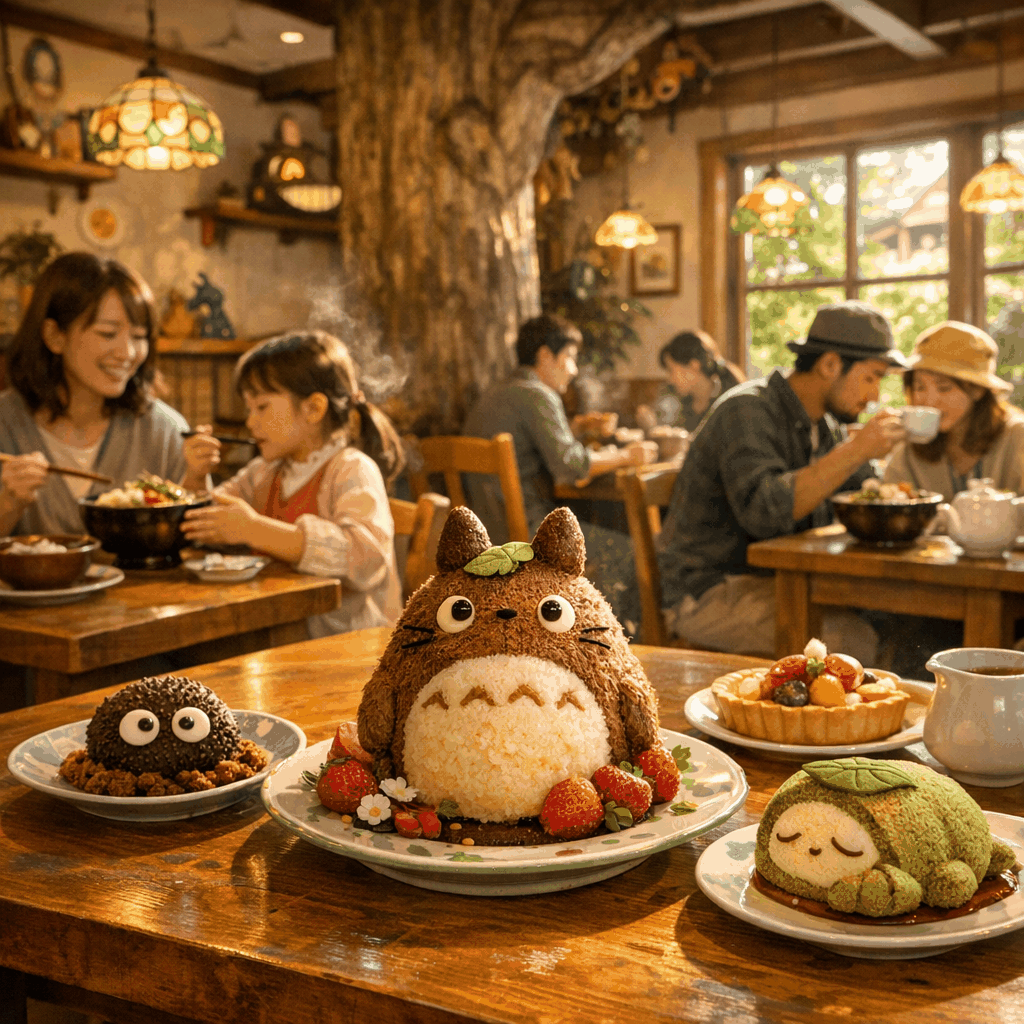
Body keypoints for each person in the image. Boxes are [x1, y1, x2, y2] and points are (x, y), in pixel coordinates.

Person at [657, 301, 908, 663]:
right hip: (705, 593)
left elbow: (865, 494)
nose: (875, 397)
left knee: (892, 618)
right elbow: (765, 512)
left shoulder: (825, 426)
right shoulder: (747, 410)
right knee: (853, 644)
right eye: (871, 377)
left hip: (776, 582)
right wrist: (856, 450)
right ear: (829, 365)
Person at [180, 330, 404, 638]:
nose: (250, 421)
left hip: (348, 650)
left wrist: (254, 529)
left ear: (313, 408)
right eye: (248, 409)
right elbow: (210, 521)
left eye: (262, 407)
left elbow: (365, 558)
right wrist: (195, 476)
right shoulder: (265, 471)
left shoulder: (352, 469)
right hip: (279, 639)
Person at [0, 252, 216, 537]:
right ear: (55, 336)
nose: (127, 353)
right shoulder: (7, 425)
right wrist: (7, 505)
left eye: (139, 337)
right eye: (107, 333)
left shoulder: (164, 431)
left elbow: (201, 549)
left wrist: (198, 480)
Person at [462, 314, 655, 631]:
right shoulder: (537, 394)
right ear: (544, 356)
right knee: (625, 550)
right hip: (529, 539)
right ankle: (613, 646)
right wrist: (627, 455)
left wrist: (575, 428)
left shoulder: (493, 395)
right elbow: (570, 467)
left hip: (486, 537)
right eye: (569, 357)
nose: (574, 369)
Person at [883, 321, 1024, 499]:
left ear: (977, 390)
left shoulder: (1017, 437)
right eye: (919, 388)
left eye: (944, 388)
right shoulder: (910, 448)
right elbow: (886, 509)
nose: (929, 401)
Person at [639, 329, 746, 433]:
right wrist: (652, 427)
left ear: (694, 365)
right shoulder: (680, 401)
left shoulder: (729, 401)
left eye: (672, 370)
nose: (670, 380)